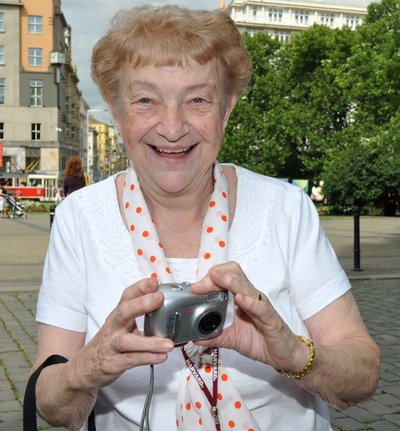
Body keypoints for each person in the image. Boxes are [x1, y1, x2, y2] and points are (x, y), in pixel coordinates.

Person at [29, 5, 380, 431]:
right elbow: (49, 402)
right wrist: (84, 371)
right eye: (145, 100)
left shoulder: (285, 208)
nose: (172, 127)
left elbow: (362, 376)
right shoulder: (79, 219)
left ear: (227, 109)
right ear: (116, 111)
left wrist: (293, 354)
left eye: (197, 99)